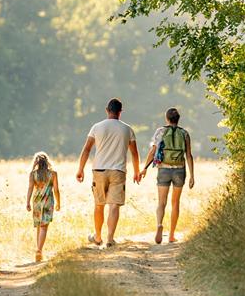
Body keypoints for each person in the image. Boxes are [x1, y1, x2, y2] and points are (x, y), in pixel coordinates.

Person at [76, 97, 141, 247]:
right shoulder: (127, 129)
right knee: (114, 205)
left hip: (99, 170)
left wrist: (80, 169)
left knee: (99, 205)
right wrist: (136, 171)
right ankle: (110, 239)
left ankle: (98, 237)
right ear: (120, 112)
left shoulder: (97, 127)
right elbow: (135, 153)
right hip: (118, 171)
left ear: (107, 110)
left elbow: (87, 149)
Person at [141, 107, 194, 243]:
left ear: (167, 118)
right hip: (179, 170)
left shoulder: (161, 131)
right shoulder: (185, 133)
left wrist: (144, 168)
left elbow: (153, 152)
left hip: (163, 169)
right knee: (175, 203)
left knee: (161, 202)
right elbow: (188, 155)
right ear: (178, 119)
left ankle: (159, 224)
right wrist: (192, 175)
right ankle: (171, 235)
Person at [26, 151, 60, 262]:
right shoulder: (53, 173)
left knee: (39, 226)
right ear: (47, 161)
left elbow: (30, 188)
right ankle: (39, 251)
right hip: (47, 202)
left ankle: (38, 250)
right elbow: (56, 190)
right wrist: (59, 203)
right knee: (44, 227)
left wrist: (27, 202)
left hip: (36, 201)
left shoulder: (33, 174)